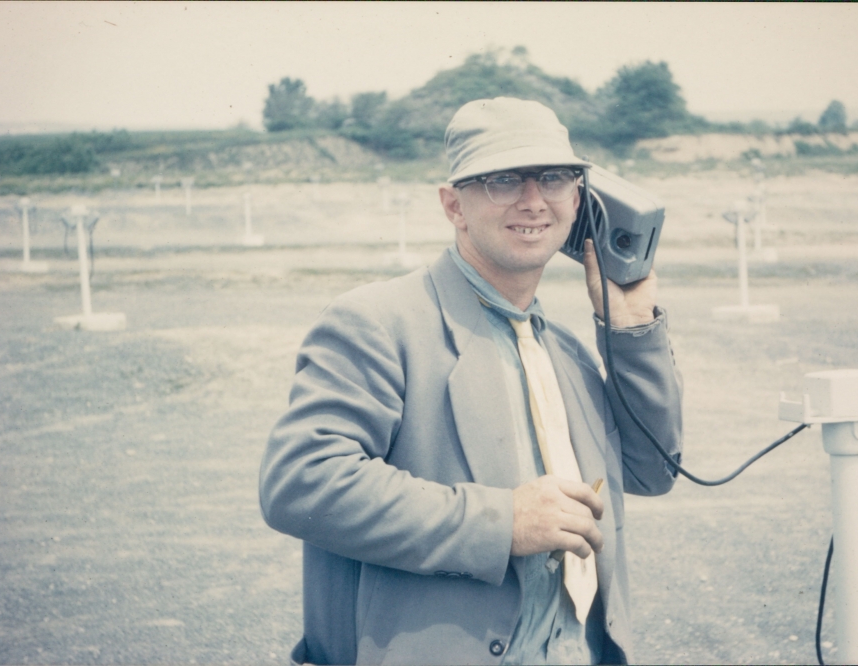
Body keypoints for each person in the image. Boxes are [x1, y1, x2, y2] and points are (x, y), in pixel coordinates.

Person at [259, 97, 683, 665]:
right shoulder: (379, 321)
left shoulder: (569, 353)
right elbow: (301, 482)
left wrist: (629, 328)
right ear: (454, 205)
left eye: (555, 178)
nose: (533, 200)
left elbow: (652, 470)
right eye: (503, 179)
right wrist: (502, 522)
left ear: (580, 201)